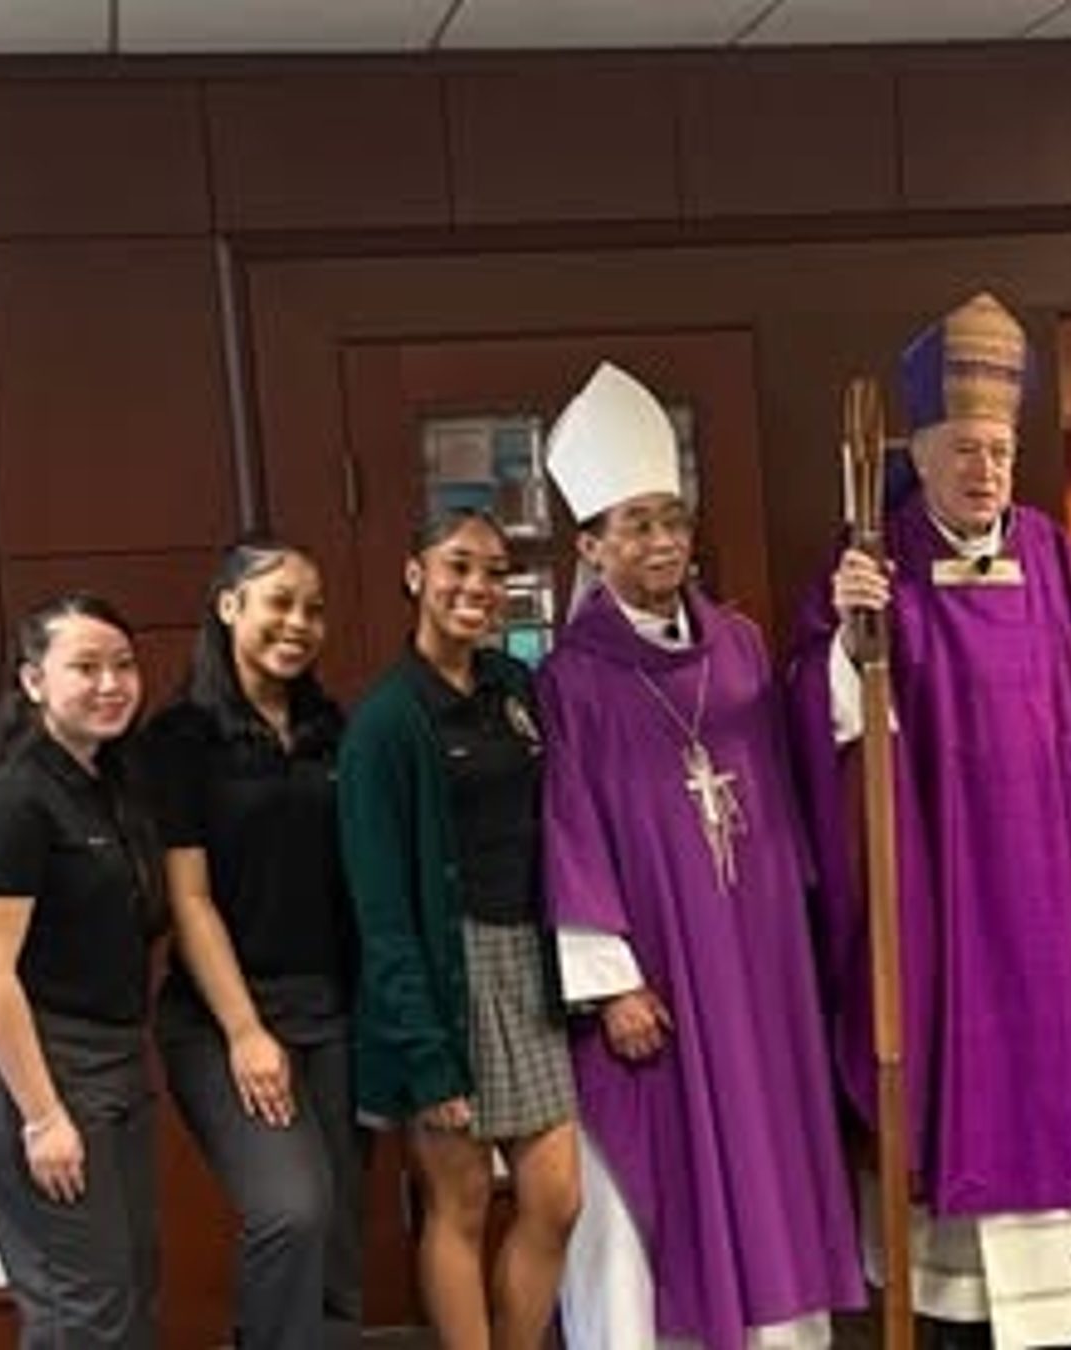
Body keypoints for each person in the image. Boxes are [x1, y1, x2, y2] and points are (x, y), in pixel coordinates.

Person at [787, 292, 1071, 1349]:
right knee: (962, 1079)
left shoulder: (1052, 551)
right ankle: (963, 1309)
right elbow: (825, 716)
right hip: (948, 883)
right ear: (919, 453)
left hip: (1057, 878)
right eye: (963, 449)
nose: (985, 469)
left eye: (999, 450)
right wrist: (847, 638)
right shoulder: (876, 559)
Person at [536, 361, 864, 1350]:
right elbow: (565, 825)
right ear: (591, 546)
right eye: (636, 524)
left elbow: (801, 757)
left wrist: (850, 649)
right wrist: (611, 984)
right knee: (661, 1171)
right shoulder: (571, 679)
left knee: (770, 1150)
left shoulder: (741, 646)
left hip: (759, 965)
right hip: (660, 977)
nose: (663, 541)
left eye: (673, 520)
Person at [338, 508, 581, 1350]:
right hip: (446, 972)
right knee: (463, 1200)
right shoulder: (384, 722)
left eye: (494, 571)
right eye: (458, 566)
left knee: (556, 1197)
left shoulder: (512, 686)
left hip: (527, 960)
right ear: (417, 574)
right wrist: (426, 1052)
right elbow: (381, 909)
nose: (478, 586)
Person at [141, 539, 362, 1347]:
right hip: (221, 1019)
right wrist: (244, 1031)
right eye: (280, 602)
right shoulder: (180, 739)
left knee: (337, 1231)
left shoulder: (332, 730)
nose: (299, 623)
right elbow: (189, 899)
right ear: (229, 606)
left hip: (331, 1012)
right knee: (291, 1209)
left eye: (314, 609)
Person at [0, 593, 168, 1349]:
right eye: (86, 668)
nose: (111, 684)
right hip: (35, 1063)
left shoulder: (111, 782)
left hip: (112, 1058)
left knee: (130, 1287)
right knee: (81, 1309)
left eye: (124, 666)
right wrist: (43, 1118)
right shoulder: (12, 795)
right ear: (33, 681)